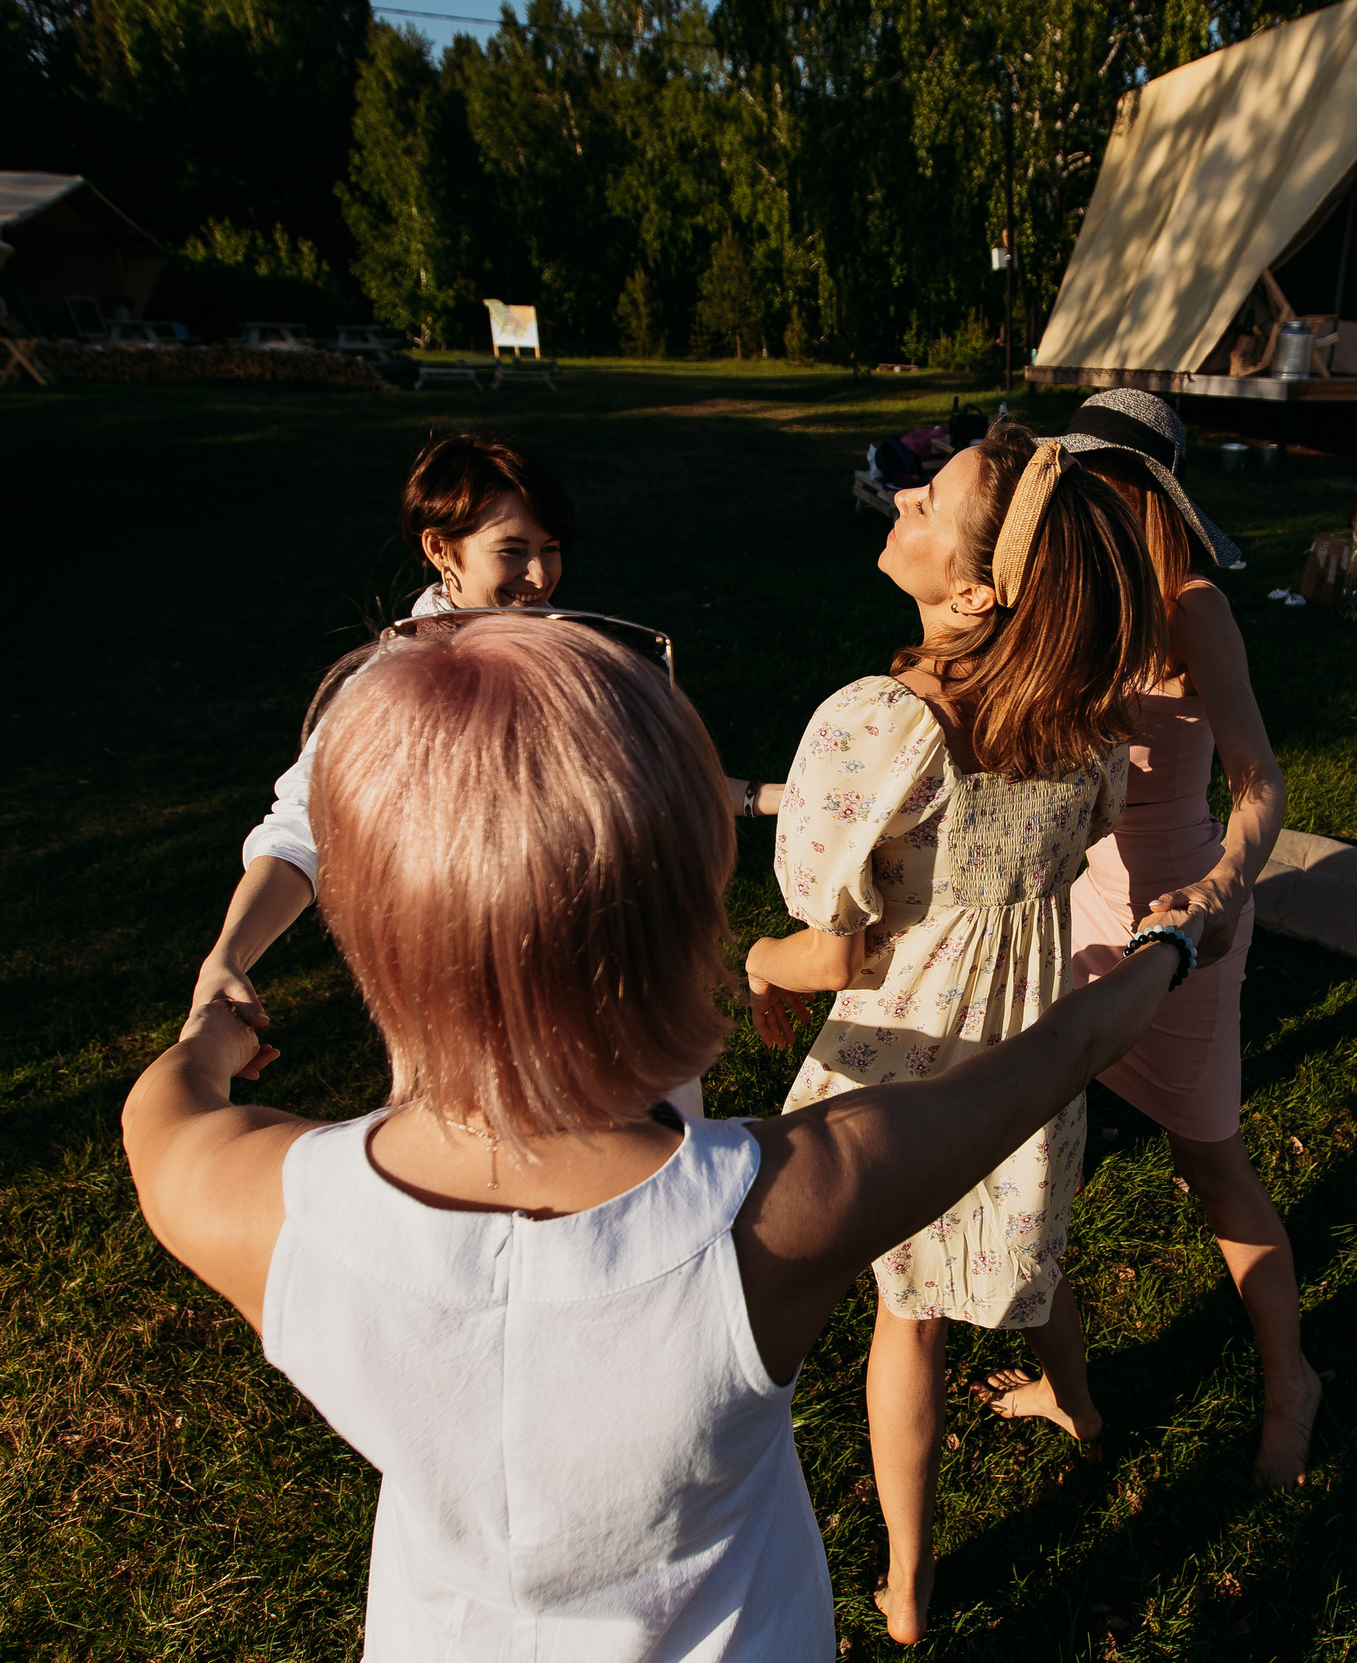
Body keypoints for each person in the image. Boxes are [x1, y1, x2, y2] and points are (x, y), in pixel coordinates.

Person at [120, 616, 1211, 1661]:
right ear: (686, 916)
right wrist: (1167, 945)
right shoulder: (787, 1207)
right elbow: (1054, 1059)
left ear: (369, 927)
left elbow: (153, 1116)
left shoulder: (265, 1212)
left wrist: (210, 1039)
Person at [742, 421, 1164, 1644]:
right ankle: (1081, 1408)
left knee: (910, 1313)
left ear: (975, 590)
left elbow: (834, 942)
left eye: (934, 497)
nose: (906, 490)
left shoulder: (889, 723)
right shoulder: (1082, 714)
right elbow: (1083, 843)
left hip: (908, 1057)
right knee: (1034, 1235)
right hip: (1032, 1046)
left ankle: (910, 1586)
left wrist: (761, 963)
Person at [189, 433, 781, 1034]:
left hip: (617, 965)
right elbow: (304, 831)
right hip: (485, 993)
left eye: (550, 548)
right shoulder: (394, 686)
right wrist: (229, 955)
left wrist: (784, 797)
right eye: (512, 549)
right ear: (441, 549)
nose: (539, 574)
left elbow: (654, 772)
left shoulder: (571, 647)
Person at [1053, 388, 1321, 1488]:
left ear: (1149, 496)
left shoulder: (1194, 606)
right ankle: (1068, 1390)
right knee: (1046, 1157)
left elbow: (1261, 781)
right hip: (1072, 918)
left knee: (1211, 1167)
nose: (1078, 510)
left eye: (1100, 488)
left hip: (1185, 927)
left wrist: (1215, 893)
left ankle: (1290, 1379)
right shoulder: (1059, 599)